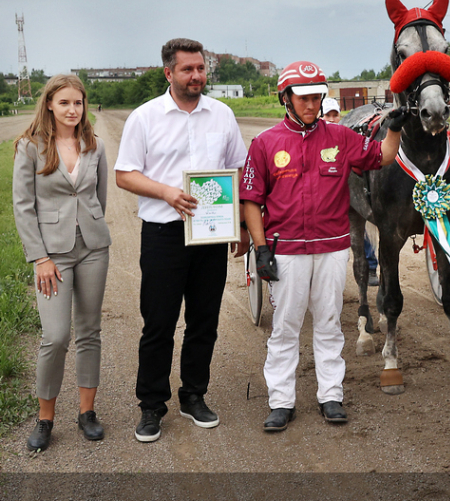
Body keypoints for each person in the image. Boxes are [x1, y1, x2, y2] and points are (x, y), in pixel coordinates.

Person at [241, 61, 407, 431]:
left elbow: (381, 156)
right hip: (286, 252)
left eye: (317, 97)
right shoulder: (266, 143)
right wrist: (261, 248)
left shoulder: (340, 137)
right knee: (286, 327)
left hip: (332, 248)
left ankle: (331, 395)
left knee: (330, 323)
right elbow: (251, 199)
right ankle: (281, 401)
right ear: (286, 98)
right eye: (303, 99)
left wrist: (393, 129)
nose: (312, 105)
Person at [114, 38, 248, 442]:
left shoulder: (222, 115)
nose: (196, 76)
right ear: (169, 73)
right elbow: (125, 174)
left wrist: (239, 223)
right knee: (159, 323)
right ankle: (152, 406)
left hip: (210, 234)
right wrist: (166, 192)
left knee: (204, 320)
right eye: (188, 69)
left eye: (201, 69)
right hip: (163, 234)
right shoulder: (145, 117)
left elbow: (237, 170)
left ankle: (194, 395)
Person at [13, 74, 111, 451]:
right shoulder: (30, 146)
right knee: (55, 337)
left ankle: (87, 413)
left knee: (89, 331)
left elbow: (99, 199)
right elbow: (23, 207)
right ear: (50, 104)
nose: (73, 109)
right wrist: (40, 257)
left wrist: (93, 231)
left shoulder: (94, 145)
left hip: (93, 248)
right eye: (65, 102)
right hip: (51, 255)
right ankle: (45, 418)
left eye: (79, 103)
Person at [321, 97, 380, 287]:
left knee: (360, 221)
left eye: (334, 115)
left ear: (340, 116)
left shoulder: (346, 137)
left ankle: (370, 265)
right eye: (326, 115)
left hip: (346, 191)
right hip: (325, 196)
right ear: (319, 117)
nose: (331, 119)